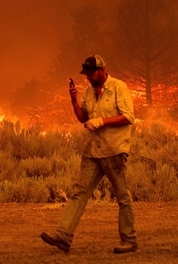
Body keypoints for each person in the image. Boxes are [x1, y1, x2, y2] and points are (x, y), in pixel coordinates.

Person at [40, 54, 138, 254]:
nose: (88, 78)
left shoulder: (118, 87)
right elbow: (82, 118)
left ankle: (129, 239)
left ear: (102, 70)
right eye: (87, 74)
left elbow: (128, 117)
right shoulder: (87, 91)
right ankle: (63, 236)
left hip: (114, 150)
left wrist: (102, 121)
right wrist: (73, 100)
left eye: (91, 74)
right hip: (93, 151)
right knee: (79, 192)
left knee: (122, 196)